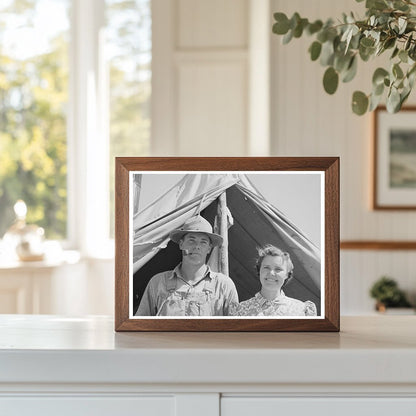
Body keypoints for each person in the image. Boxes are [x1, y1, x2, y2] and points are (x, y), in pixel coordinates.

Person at [136, 216, 238, 316]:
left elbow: (236, 328)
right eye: (191, 240)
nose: (197, 246)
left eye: (203, 242)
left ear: (209, 249)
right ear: (181, 244)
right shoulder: (158, 283)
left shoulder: (223, 285)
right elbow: (139, 326)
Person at [231, 244, 317, 316]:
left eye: (278, 269)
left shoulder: (301, 310)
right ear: (259, 270)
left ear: (287, 275)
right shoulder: (240, 310)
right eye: (266, 267)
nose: (271, 273)